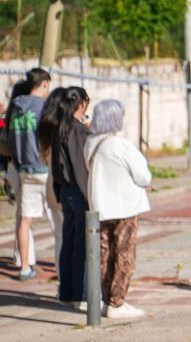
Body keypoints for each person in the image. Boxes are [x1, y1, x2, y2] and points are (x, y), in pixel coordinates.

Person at [84, 100, 152, 319]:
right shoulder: (120, 144)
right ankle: (117, 302)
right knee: (124, 255)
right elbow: (144, 175)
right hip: (124, 207)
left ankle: (106, 300)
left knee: (104, 254)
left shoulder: (90, 144)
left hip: (99, 206)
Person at [39, 86, 91, 309]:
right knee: (81, 245)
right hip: (78, 192)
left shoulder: (60, 127)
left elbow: (58, 167)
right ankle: (79, 293)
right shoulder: (77, 130)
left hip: (66, 191)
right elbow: (80, 167)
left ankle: (67, 291)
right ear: (82, 104)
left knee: (68, 243)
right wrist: (89, 196)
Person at [6, 69, 52, 281]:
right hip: (44, 168)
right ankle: (64, 268)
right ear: (44, 84)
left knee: (25, 219)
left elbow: (8, 138)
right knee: (58, 219)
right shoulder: (44, 107)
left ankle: (24, 267)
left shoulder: (15, 108)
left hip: (23, 168)